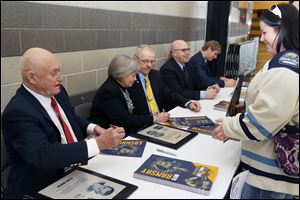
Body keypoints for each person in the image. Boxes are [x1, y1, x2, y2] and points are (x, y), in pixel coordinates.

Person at [1, 48, 125, 198]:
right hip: (42, 187)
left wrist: (94, 128)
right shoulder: (18, 112)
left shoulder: (57, 92)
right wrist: (99, 143)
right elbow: (44, 155)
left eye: (59, 71)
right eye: (54, 73)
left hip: (75, 172)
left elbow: (70, 117)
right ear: (32, 77)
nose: (61, 78)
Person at [211, 4, 299, 199]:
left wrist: (228, 126)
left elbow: (262, 123)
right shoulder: (283, 60)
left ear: (283, 30)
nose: (261, 38)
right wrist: (249, 106)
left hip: (269, 181)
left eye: (265, 32)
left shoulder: (285, 68)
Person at [129, 44, 201, 116]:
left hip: (161, 119)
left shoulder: (155, 75)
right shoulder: (130, 80)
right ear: (135, 59)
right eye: (145, 61)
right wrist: (153, 119)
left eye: (152, 61)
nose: (149, 65)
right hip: (145, 123)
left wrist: (188, 103)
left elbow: (170, 94)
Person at [89, 54, 151, 135]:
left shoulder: (123, 86)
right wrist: (152, 119)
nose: (135, 79)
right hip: (106, 135)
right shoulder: (108, 91)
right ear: (122, 74)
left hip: (123, 131)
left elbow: (136, 110)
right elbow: (125, 120)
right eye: (133, 75)